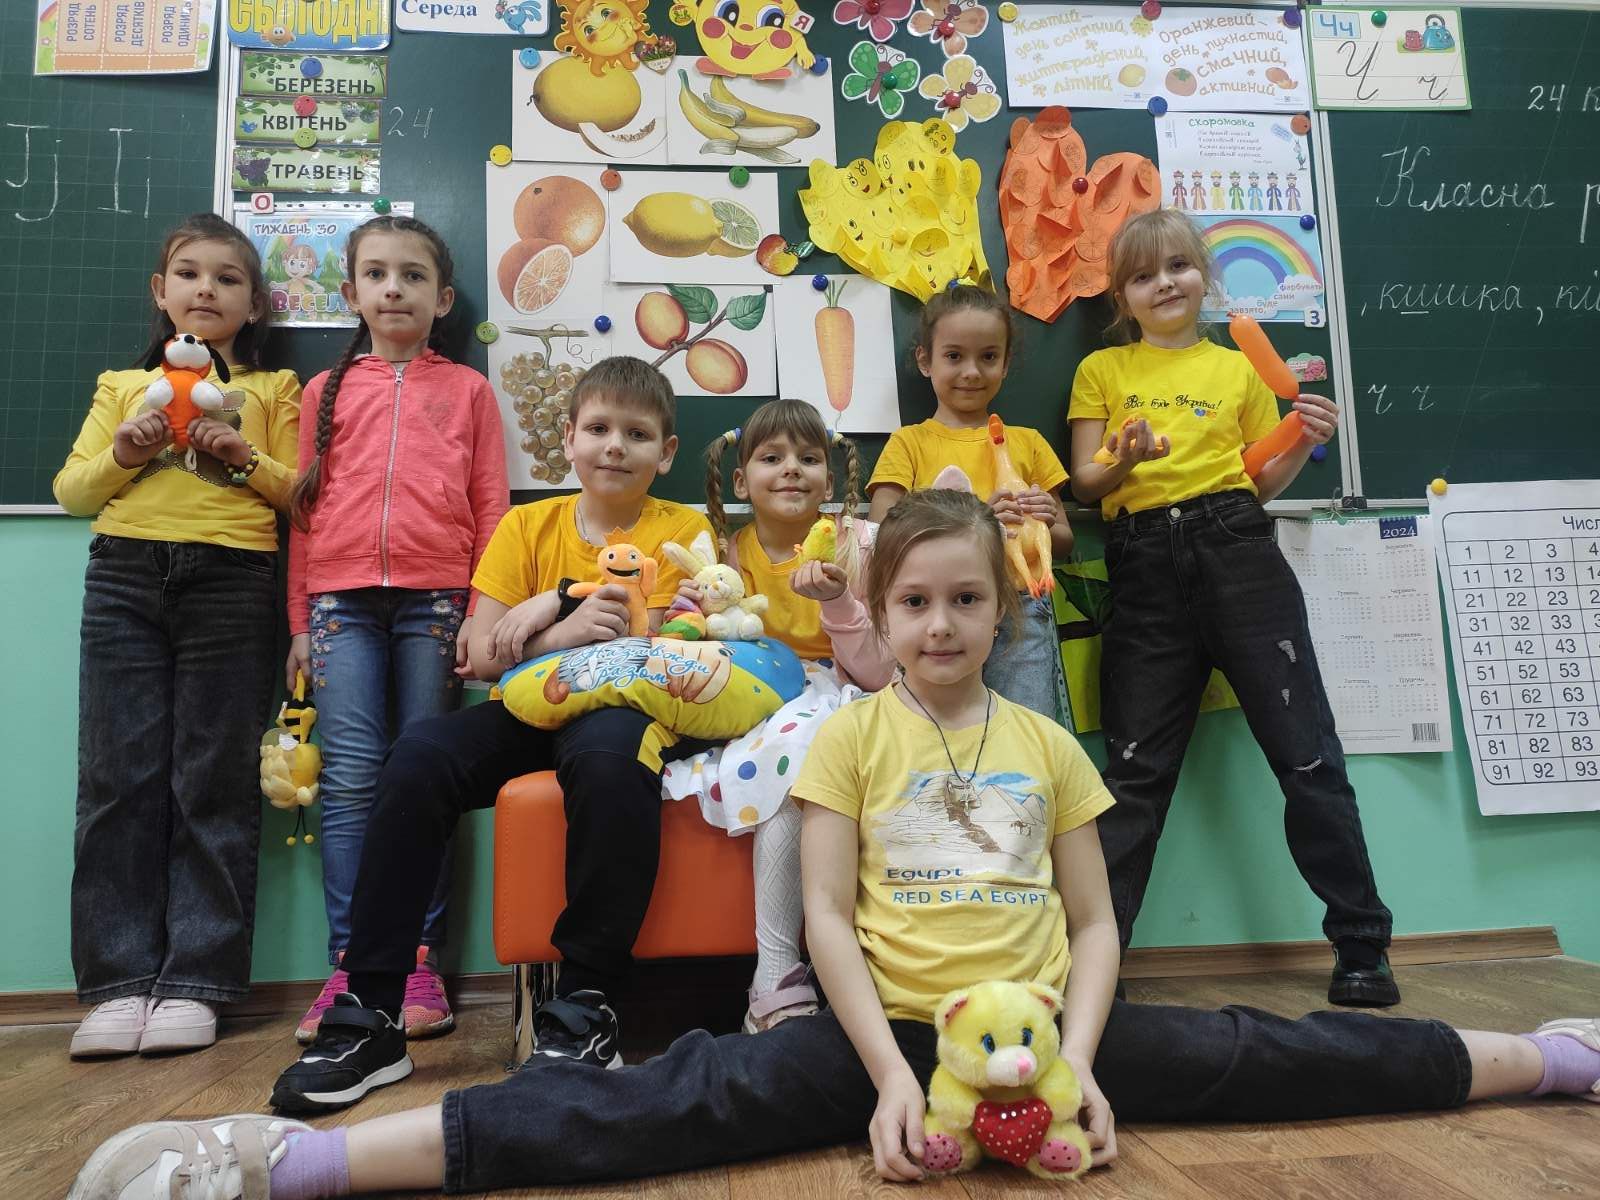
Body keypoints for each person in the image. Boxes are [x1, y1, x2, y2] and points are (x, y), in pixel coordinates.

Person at [68, 491, 1600, 1200]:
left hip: (1039, 1032)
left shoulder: (1050, 745)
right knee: (660, 1105)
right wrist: (887, 1078)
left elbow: (1095, 926)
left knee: (1268, 1056)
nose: (940, 627)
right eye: (913, 602)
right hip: (878, 1042)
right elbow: (828, 927)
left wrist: (1074, 1060)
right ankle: (296, 1161)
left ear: (1003, 610)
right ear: (877, 608)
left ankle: (1548, 1059)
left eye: (967, 602)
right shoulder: (848, 739)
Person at [267, 355, 714, 1112]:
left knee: (610, 764)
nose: (614, 445)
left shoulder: (684, 532)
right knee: (416, 757)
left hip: (621, 712)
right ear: (567, 439)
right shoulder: (526, 525)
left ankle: (585, 1005)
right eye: (598, 428)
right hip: (528, 709)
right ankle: (371, 1009)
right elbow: (476, 653)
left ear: (666, 452)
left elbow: (668, 647)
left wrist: (551, 617)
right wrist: (559, 617)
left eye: (637, 434)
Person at [1067, 207, 1398, 1006]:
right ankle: (1093, 966)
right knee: (1135, 772)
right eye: (1142, 276)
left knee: (1307, 756)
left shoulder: (1242, 369)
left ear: (1205, 277)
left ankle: (1362, 946)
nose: (1164, 284)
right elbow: (1085, 483)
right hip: (1143, 562)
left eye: (1178, 267)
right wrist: (1124, 457)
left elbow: (1258, 481)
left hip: (1238, 548)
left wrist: (1300, 437)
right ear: (1122, 297)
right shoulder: (1102, 371)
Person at [53, 212, 300, 1057]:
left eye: (228, 279)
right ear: (161, 292)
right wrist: (125, 452)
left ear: (254, 304)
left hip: (234, 581)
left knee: (214, 781)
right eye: (190, 274)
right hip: (124, 576)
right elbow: (73, 492)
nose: (206, 289)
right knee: (117, 778)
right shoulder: (124, 384)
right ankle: (116, 983)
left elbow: (298, 492)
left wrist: (240, 454)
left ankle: (196, 981)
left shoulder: (273, 388)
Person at [286, 216, 508, 1046]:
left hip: (437, 602)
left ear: (442, 298)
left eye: (413, 276)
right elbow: (304, 513)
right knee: (348, 781)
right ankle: (351, 964)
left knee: (424, 777)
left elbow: (492, 506)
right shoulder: (323, 390)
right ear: (351, 293)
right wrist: (300, 619)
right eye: (377, 274)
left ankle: (417, 959)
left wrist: (482, 610)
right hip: (338, 603)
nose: (393, 289)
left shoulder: (469, 391)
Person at [662, 399, 892, 1032]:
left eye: (808, 458)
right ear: (741, 481)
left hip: (847, 694)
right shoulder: (726, 558)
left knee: (803, 759)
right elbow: (713, 658)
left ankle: (783, 971)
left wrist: (840, 603)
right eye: (772, 458)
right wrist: (689, 617)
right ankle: (778, 970)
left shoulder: (861, 544)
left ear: (830, 477)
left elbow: (880, 671)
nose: (792, 469)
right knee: (785, 750)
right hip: (760, 701)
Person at [867, 284, 1073, 722]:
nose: (972, 372)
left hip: (1021, 610)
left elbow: (1064, 540)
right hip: (935, 613)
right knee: (936, 730)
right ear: (925, 360)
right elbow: (880, 534)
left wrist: (1047, 520)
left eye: (988, 357)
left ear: (1006, 363)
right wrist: (978, 519)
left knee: (1026, 727)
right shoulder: (909, 443)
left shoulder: (1029, 443)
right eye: (954, 356)